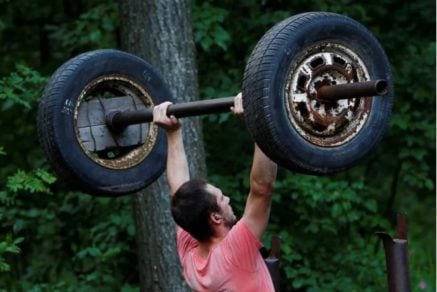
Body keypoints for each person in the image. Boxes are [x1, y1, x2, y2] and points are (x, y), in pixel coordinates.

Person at [153, 93, 278, 291]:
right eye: (221, 198)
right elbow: (262, 189)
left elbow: (178, 190)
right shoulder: (234, 252)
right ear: (215, 218)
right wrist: (259, 124)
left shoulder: (191, 255)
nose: (227, 199)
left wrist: (173, 132)